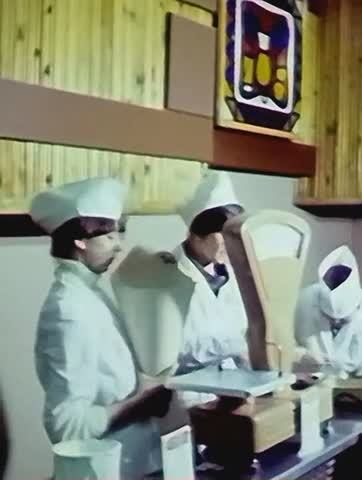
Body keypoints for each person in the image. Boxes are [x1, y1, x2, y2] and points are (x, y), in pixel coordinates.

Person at [30, 177, 171, 479]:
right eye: (108, 236)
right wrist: (139, 404)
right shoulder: (68, 310)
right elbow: (66, 427)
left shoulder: (93, 293)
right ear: (80, 241)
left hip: (136, 463)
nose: (119, 245)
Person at [172, 170, 250, 379]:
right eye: (224, 234)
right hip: (192, 390)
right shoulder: (167, 277)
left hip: (236, 384)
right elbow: (176, 350)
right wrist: (236, 346)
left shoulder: (234, 275)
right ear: (197, 235)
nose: (232, 242)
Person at [294, 245, 362, 375]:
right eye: (330, 318)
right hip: (311, 379)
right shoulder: (304, 301)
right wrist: (302, 356)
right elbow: (285, 347)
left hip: (354, 381)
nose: (336, 323)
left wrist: (360, 378)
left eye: (343, 320)